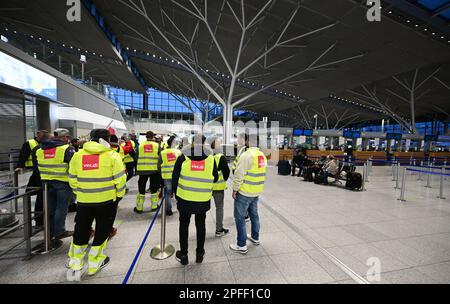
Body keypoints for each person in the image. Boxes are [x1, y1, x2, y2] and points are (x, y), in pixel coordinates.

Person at [67, 129, 126, 276]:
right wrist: (118, 196)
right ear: (106, 139)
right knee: (102, 229)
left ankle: (75, 262)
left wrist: (81, 192)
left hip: (84, 200)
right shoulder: (113, 155)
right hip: (106, 201)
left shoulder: (77, 155)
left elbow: (72, 179)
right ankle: (95, 263)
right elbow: (120, 180)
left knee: (81, 228)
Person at [172, 134, 218, 265]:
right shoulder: (210, 159)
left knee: (184, 225)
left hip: (185, 198)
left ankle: (184, 255)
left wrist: (175, 193)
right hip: (202, 199)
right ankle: (199, 254)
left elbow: (175, 177)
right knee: (201, 225)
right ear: (204, 143)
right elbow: (214, 177)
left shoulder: (183, 157)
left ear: (192, 142)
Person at [34, 128, 75, 239]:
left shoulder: (40, 149)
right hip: (62, 182)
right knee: (61, 207)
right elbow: (73, 166)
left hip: (46, 182)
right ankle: (59, 231)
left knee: (50, 208)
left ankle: (50, 231)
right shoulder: (66, 149)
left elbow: (36, 167)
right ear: (65, 137)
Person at [230, 134, 267, 254]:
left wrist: (235, 189)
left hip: (245, 191)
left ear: (248, 141)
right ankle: (255, 237)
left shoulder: (246, 155)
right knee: (254, 215)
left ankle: (241, 245)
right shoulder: (262, 155)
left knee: (239, 218)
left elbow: (239, 174)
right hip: (256, 191)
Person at [16, 130, 49, 227]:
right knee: (41, 196)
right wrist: (20, 165)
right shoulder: (30, 143)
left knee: (41, 196)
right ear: (38, 135)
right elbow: (23, 154)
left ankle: (41, 220)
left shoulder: (44, 145)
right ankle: (39, 220)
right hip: (34, 171)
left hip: (38, 171)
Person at [134, 131, 161, 213]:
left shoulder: (140, 145)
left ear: (146, 136)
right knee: (154, 189)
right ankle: (154, 206)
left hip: (142, 170)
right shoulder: (157, 145)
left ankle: (139, 208)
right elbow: (160, 157)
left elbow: (136, 157)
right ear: (153, 136)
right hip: (154, 170)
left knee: (141, 189)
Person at [210, 137, 231, 237]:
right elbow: (226, 172)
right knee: (219, 208)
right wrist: (223, 179)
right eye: (219, 143)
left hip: (207, 187)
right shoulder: (221, 157)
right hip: (218, 187)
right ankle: (219, 230)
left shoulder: (208, 156)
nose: (220, 144)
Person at [158, 135, 181, 216]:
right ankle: (180, 207)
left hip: (166, 176)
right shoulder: (178, 152)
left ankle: (169, 210)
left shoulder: (163, 153)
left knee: (167, 193)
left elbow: (159, 165)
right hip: (177, 176)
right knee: (178, 193)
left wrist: (161, 174)